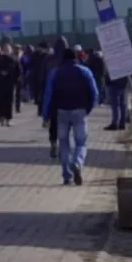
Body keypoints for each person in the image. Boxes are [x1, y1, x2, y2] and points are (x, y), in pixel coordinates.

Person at [42, 47, 98, 185]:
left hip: (61, 111)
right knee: (81, 142)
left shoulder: (55, 73)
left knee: (64, 143)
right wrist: (88, 109)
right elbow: (94, 93)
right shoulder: (85, 71)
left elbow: (48, 95)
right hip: (80, 110)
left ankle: (67, 175)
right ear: (76, 57)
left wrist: (46, 115)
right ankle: (78, 163)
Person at [0, 43, 22, 126]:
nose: (6, 51)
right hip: (0, 84)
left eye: (8, 49)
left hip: (10, 83)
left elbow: (18, 70)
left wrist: (16, 79)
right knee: (1, 102)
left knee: (9, 102)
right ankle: (1, 118)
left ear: (10, 50)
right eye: (5, 49)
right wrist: (0, 73)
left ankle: (8, 119)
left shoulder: (14, 59)